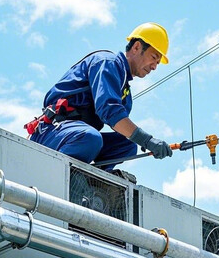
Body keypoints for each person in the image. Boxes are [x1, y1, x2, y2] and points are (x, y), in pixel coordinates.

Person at [25, 22, 173, 177]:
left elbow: (120, 124)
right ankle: (64, 178)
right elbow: (109, 111)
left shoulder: (125, 92)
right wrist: (147, 140)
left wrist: (143, 142)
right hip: (53, 131)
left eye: (157, 63)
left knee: (127, 146)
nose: (154, 66)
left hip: (77, 137)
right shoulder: (106, 62)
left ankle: (92, 181)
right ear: (136, 47)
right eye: (154, 57)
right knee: (90, 138)